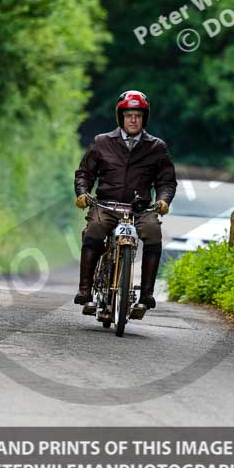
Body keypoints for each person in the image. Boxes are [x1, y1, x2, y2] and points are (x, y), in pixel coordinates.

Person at [73, 89, 177, 310]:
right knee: (95, 230)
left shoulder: (156, 147)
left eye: (138, 115)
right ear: (120, 117)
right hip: (106, 205)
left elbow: (166, 181)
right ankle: (85, 289)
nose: (133, 119)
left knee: (153, 232)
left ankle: (146, 295)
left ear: (144, 118)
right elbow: (84, 173)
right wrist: (82, 192)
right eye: (129, 114)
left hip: (140, 209)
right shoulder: (101, 142)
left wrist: (164, 200)